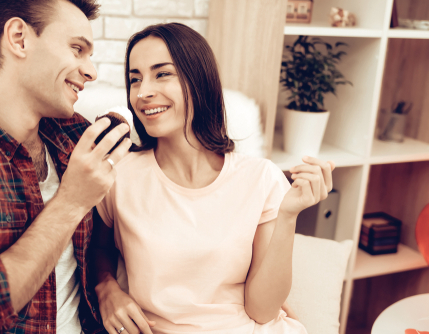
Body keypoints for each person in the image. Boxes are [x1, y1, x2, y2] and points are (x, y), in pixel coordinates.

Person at [90, 23, 335, 334]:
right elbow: (98, 250)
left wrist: (288, 216)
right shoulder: (119, 175)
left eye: (162, 73)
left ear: (199, 80)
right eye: (134, 79)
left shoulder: (261, 178)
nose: (143, 92)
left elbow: (261, 311)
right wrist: (106, 289)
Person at [0, 0, 131, 333]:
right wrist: (71, 203)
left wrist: (105, 282)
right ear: (19, 38)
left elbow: (98, 242)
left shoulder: (73, 134)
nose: (91, 71)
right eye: (77, 49)